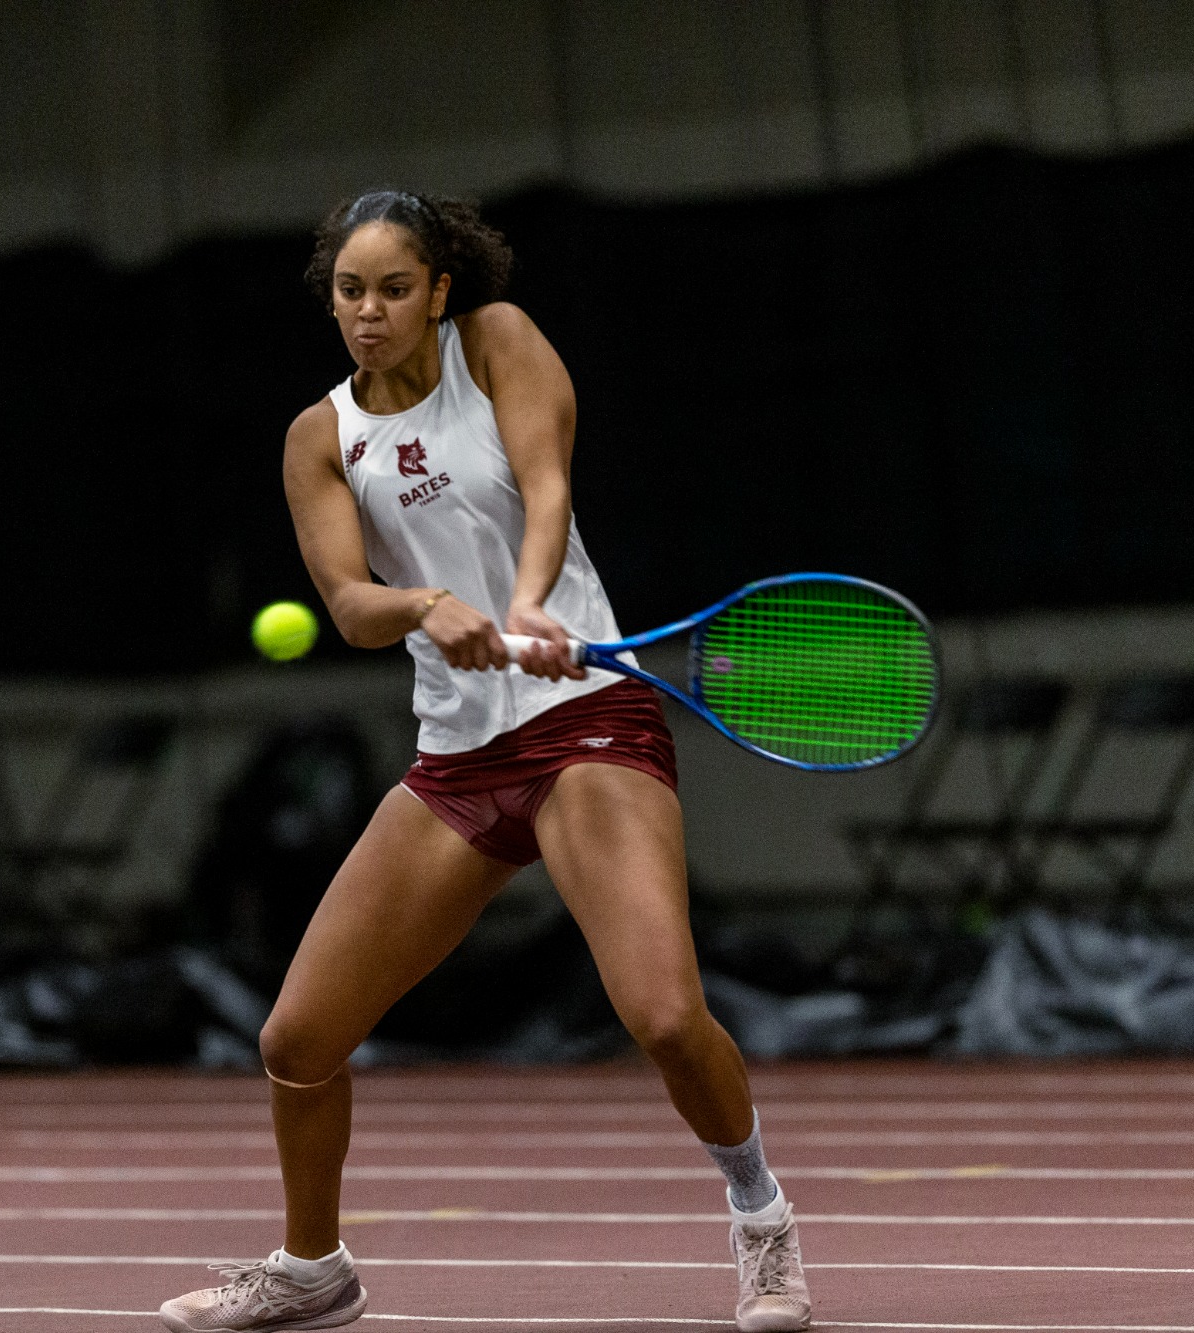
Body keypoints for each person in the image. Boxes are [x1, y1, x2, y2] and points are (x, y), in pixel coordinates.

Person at [159, 190, 809, 1333]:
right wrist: (423, 604)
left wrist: (519, 600)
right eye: (349, 292)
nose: (367, 313)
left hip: (584, 721)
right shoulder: (321, 435)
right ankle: (314, 1267)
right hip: (457, 757)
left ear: (439, 292)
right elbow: (352, 605)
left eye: (393, 290)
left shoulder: (497, 342)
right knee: (296, 1040)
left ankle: (760, 1218)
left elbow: (545, 482)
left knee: (660, 1014)